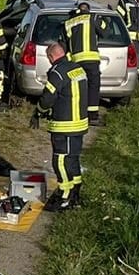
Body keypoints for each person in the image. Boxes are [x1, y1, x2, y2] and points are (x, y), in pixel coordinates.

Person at [31, 42, 89, 211]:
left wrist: (38, 112)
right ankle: (76, 193)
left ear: (51, 57)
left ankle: (65, 196)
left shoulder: (57, 73)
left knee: (61, 160)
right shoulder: (77, 68)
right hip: (79, 123)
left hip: (64, 125)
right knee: (73, 158)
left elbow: (48, 98)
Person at [62, 2, 109, 126]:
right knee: (93, 87)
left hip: (76, 61)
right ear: (88, 10)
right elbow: (104, 31)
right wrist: (104, 19)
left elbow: (65, 43)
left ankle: (79, 114)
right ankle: (92, 117)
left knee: (79, 88)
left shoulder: (69, 23)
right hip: (91, 60)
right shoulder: (92, 18)